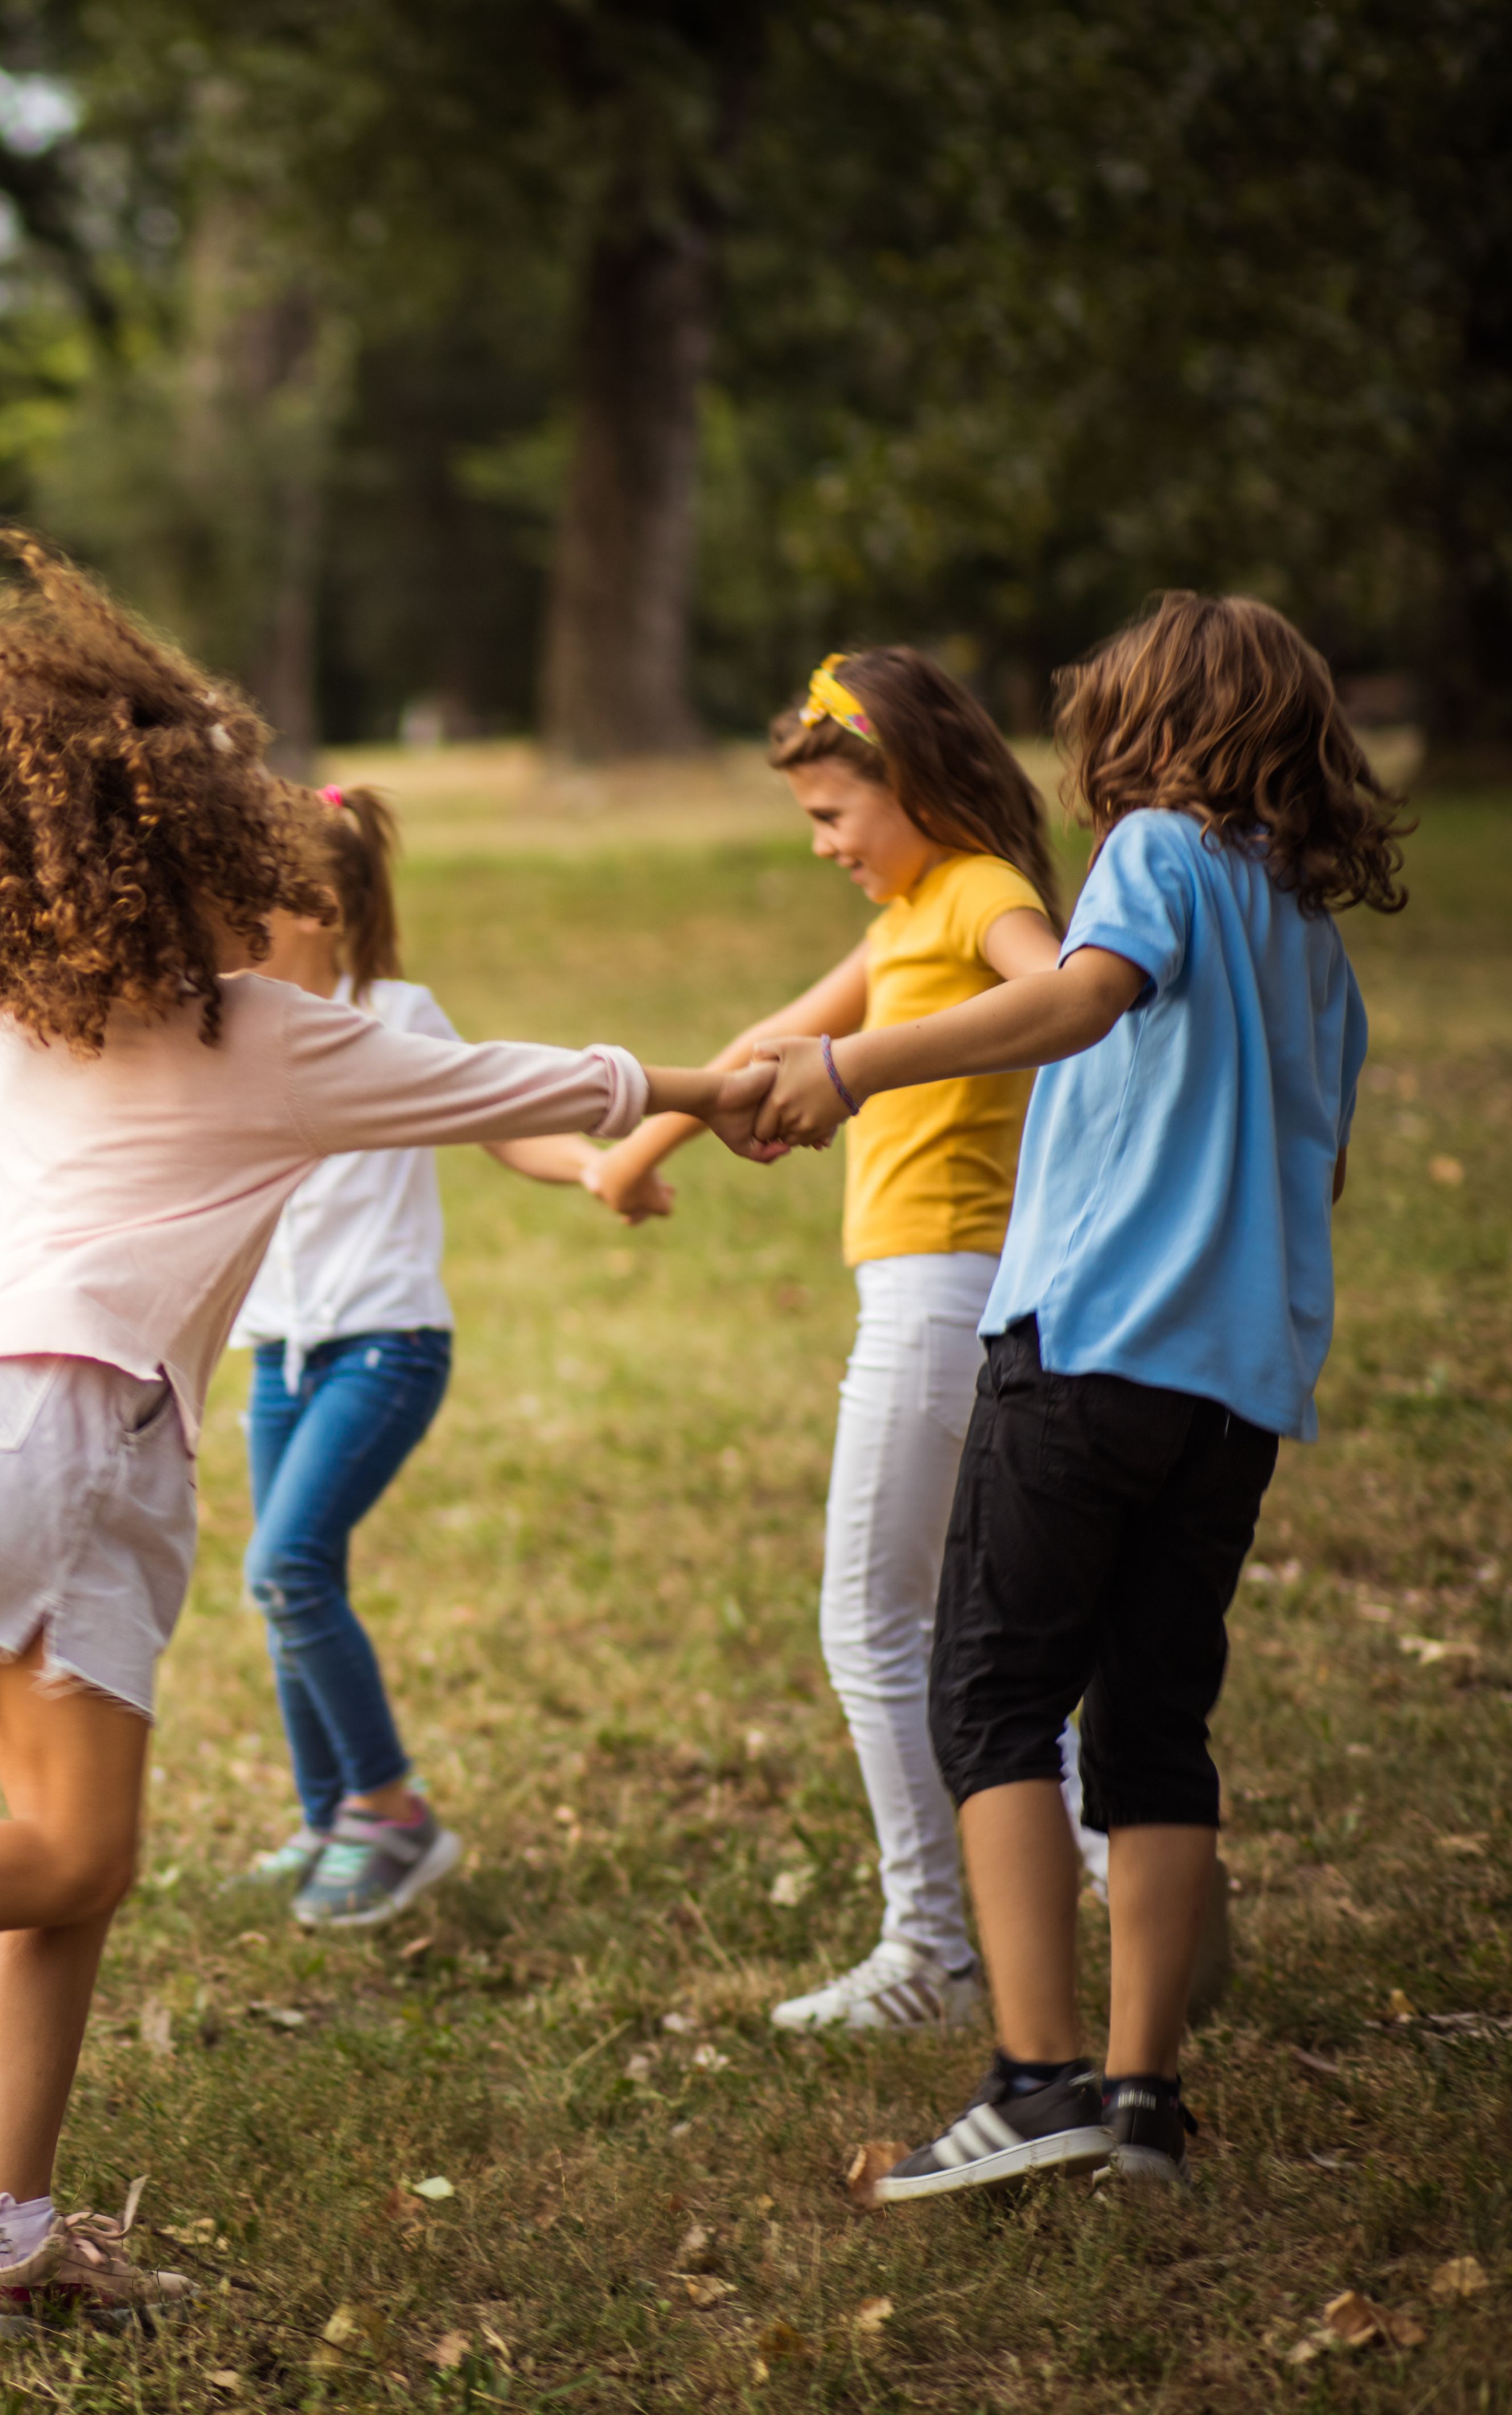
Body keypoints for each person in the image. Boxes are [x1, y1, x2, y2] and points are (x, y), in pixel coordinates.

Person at [0, 530, 778, 2338]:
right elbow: (520, 1082)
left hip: (39, 1430)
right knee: (68, 1855)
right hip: (63, 1433)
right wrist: (715, 1091)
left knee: (80, 1859)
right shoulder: (273, 1039)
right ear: (194, 857)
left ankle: (1, 2247)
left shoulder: (16, 1025)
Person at [750, 594, 1403, 2196]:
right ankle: (1144, 2105)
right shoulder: (1317, 952)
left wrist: (853, 1067)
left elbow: (1079, 1001)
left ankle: (1036, 2080)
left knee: (990, 1698)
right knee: (1156, 1732)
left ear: (1151, 732)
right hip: (1236, 1392)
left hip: (1093, 1349)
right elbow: (1314, 1186)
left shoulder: (1161, 854)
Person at [0, 783, 672, 1934]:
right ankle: (327, 1820)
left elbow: (503, 1119)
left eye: (253, 893)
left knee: (288, 1566)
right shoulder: (219, 1027)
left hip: (385, 1348)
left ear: (322, 907)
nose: (228, 916)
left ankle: (392, 1814)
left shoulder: (392, 1017)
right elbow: (120, 1149)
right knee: (288, 1577)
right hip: (279, 1360)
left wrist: (594, 1167)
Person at [593, 648, 1119, 2033]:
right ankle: (1110, 1866)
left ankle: (940, 1949)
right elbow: (782, 1034)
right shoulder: (911, 910)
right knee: (980, 1629)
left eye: (834, 815)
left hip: (947, 1289)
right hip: (944, 1292)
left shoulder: (980, 894)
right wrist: (640, 1147)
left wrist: (885, 1062)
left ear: (916, 782)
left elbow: (1064, 993)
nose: (824, 845)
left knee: (878, 1627)